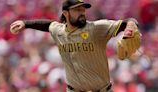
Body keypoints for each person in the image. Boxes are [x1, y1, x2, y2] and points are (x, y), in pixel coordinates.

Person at [10, 0, 141, 92]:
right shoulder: (59, 31)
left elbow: (128, 21)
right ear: (66, 13)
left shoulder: (96, 28)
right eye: (77, 10)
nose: (82, 12)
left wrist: (131, 24)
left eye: (83, 9)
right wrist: (25, 23)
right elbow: (47, 25)